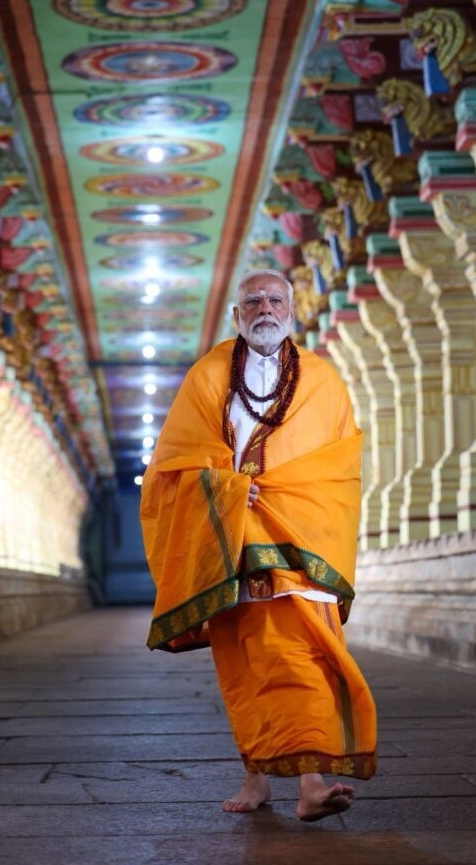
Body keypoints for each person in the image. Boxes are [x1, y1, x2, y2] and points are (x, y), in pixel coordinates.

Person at [140, 269, 377, 822]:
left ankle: (311, 782)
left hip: (302, 542)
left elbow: (339, 470)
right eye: (253, 301)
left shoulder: (322, 380)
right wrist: (225, 491)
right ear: (236, 315)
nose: (264, 308)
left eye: (275, 300)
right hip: (233, 540)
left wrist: (290, 501)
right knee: (248, 663)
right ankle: (259, 776)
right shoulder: (207, 378)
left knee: (302, 658)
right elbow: (173, 464)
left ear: (291, 311)